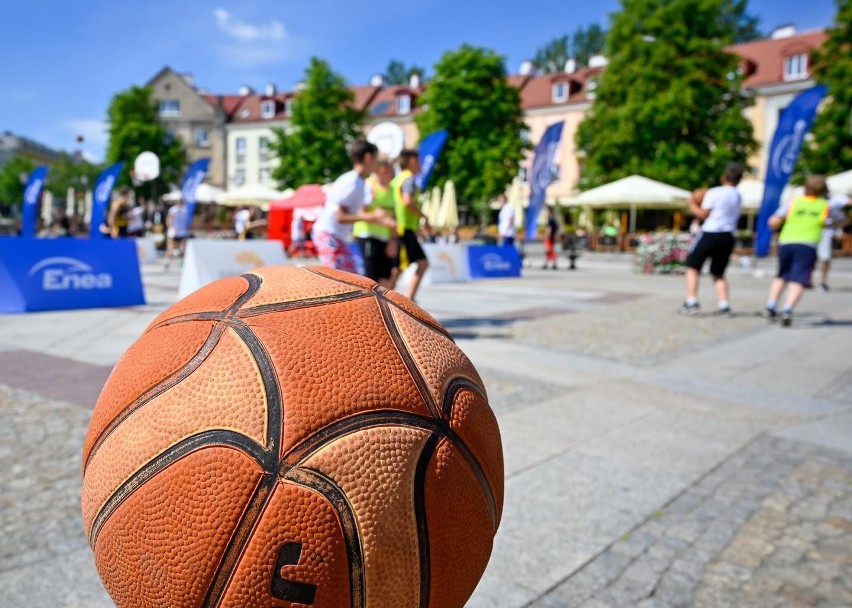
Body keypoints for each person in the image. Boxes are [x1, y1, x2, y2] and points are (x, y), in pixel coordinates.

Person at [312, 139, 395, 274]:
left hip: (335, 235)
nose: (378, 163)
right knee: (340, 281)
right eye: (376, 158)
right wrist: (374, 217)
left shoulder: (360, 182)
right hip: (329, 234)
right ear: (368, 157)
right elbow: (340, 217)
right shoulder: (352, 182)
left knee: (350, 279)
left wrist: (376, 217)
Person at [763, 175, 830, 327]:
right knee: (798, 279)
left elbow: (773, 221)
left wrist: (775, 227)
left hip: (787, 241)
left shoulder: (794, 202)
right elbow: (831, 222)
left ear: (805, 188)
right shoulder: (824, 205)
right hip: (808, 244)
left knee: (781, 274)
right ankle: (787, 310)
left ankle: (771, 306)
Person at [679, 162, 744, 316]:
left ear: (723, 177)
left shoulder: (715, 192)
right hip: (728, 235)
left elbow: (702, 214)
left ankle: (691, 302)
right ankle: (724, 305)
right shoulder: (738, 195)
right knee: (718, 272)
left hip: (710, 233)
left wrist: (691, 203)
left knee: (692, 267)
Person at [354, 158, 399, 289]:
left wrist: (393, 240)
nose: (394, 172)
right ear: (383, 169)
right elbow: (359, 213)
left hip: (385, 238)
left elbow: (393, 218)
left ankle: (383, 308)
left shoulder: (392, 189)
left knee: (387, 279)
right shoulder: (369, 185)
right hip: (368, 235)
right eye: (392, 168)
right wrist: (379, 218)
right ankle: (368, 308)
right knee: (371, 280)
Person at [392, 149, 431, 302]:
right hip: (404, 228)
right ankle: (386, 301)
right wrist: (424, 216)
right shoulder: (408, 179)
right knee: (398, 269)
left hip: (403, 228)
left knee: (420, 263)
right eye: (419, 160)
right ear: (412, 161)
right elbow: (407, 201)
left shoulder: (396, 179)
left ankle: (409, 300)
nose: (421, 164)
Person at [815, 192, 849, 291]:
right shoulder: (810, 201)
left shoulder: (835, 199)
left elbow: (848, 204)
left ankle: (822, 281)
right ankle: (807, 280)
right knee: (811, 257)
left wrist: (838, 226)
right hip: (813, 232)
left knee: (825, 258)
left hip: (826, 233)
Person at [164, 197, 191, 270]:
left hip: (182, 232)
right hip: (173, 232)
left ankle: (183, 262)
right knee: (171, 248)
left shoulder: (185, 210)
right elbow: (169, 220)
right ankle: (167, 262)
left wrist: (187, 229)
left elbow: (186, 221)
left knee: (183, 247)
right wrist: (172, 228)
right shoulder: (173, 210)